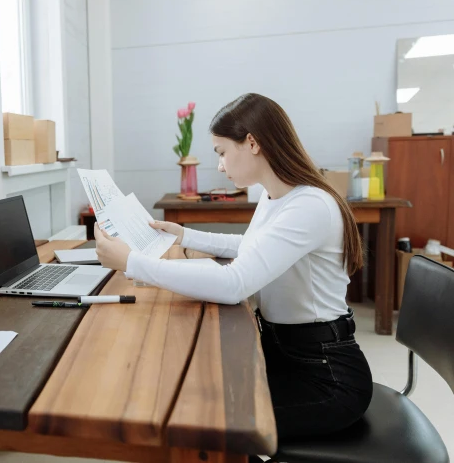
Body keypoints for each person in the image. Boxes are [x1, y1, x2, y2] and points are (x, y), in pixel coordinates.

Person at [94, 93, 373, 451]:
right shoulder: (275, 196)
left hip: (326, 378)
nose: (221, 166)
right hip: (286, 354)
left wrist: (133, 262)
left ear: (252, 144)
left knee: (203, 425)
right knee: (193, 392)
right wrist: (186, 234)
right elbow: (253, 247)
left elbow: (234, 283)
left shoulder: (309, 206)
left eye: (222, 152)